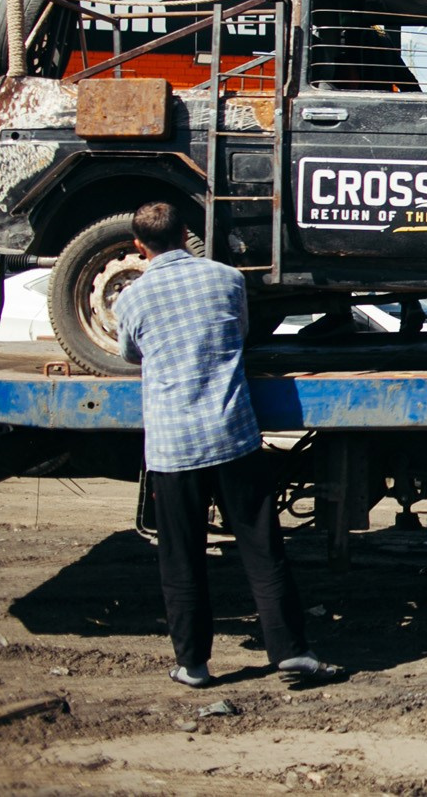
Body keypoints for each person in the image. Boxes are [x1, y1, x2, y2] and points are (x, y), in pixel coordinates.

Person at [114, 201, 342, 688]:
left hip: (174, 449)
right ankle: (292, 651)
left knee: (182, 557)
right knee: (262, 549)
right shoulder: (226, 280)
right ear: (185, 234)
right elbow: (239, 332)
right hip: (233, 436)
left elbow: (130, 353)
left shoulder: (131, 299)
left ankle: (193, 665)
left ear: (138, 246)